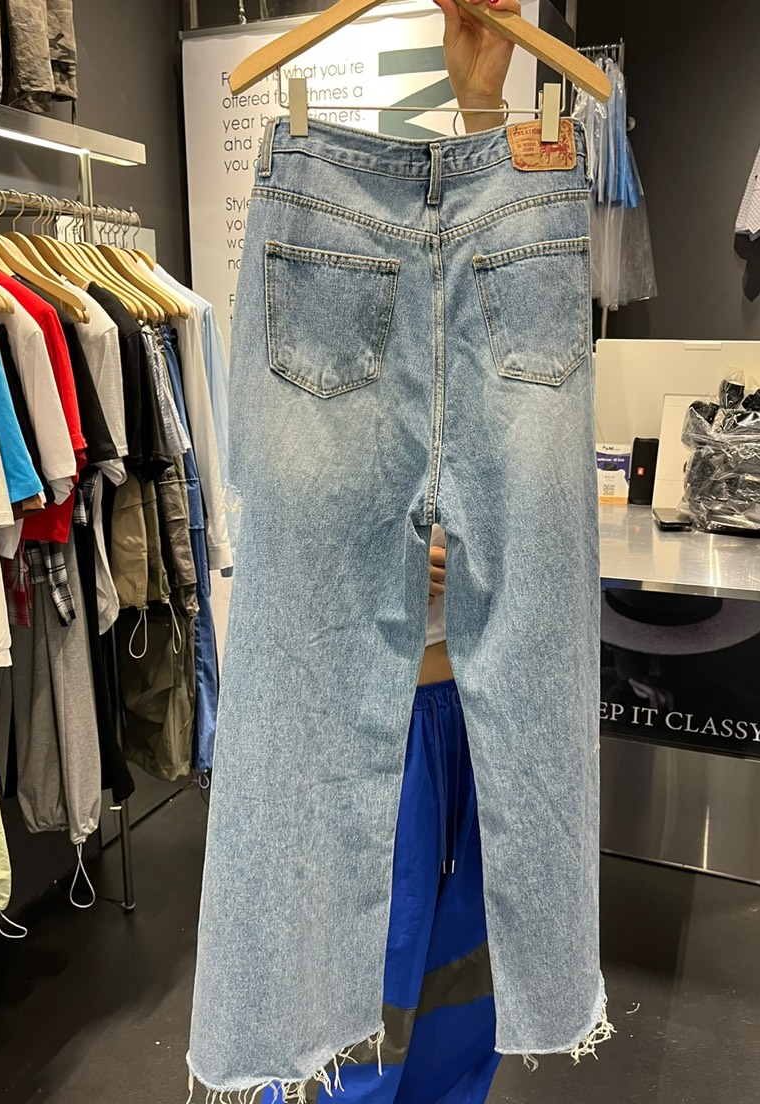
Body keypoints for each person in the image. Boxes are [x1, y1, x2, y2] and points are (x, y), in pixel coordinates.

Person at [272, 2, 523, 1100]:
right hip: (376, 718)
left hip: (481, 710)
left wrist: (484, 102)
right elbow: (285, 549)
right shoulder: (316, 335)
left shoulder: (481, 345)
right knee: (360, 996)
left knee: (466, 988)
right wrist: (378, 549)